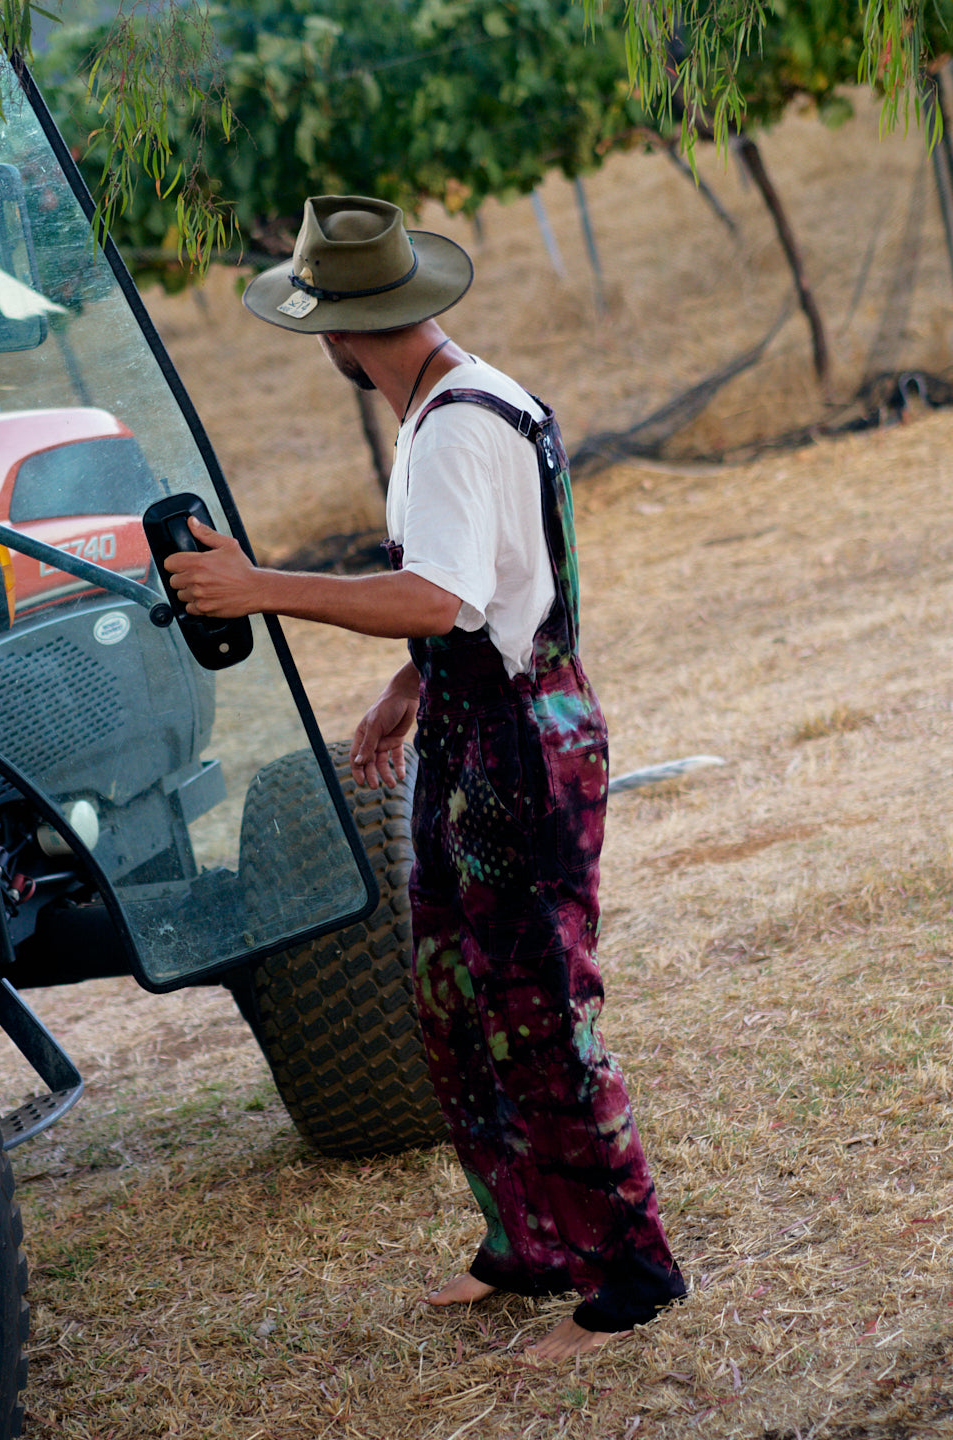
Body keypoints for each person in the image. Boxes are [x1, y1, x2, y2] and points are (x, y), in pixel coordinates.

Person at [164, 195, 686, 1361]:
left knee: (541, 1009)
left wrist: (260, 586)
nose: (323, 348)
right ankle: (533, 1242)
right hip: (474, 720)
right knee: (456, 1004)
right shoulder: (456, 403)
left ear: (347, 330)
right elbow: (496, 583)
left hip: (517, 744)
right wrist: (410, 691)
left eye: (321, 328)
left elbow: (441, 598)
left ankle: (632, 1273)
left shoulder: (451, 428)